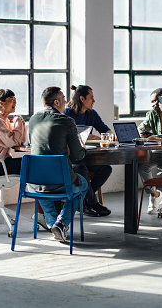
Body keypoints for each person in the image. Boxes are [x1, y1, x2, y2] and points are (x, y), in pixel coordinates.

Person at [28, 86, 88, 242]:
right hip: (60, 181)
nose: (67, 102)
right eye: (64, 99)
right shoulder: (66, 121)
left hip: (34, 181)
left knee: (40, 187)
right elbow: (78, 155)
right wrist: (81, 145)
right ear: (56, 102)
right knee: (83, 184)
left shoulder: (33, 120)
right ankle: (61, 223)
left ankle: (54, 224)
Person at [65, 84, 112, 217]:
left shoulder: (92, 114)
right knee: (81, 169)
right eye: (91, 97)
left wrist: (110, 134)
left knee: (106, 169)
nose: (94, 101)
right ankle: (93, 202)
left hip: (85, 157)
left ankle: (83, 199)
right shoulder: (66, 114)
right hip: (70, 158)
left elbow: (104, 129)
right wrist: (84, 137)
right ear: (82, 99)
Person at [137, 88, 162, 215]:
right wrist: (144, 132)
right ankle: (155, 195)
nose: (153, 104)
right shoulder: (152, 114)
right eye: (152, 102)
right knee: (143, 165)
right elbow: (141, 128)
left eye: (156, 101)